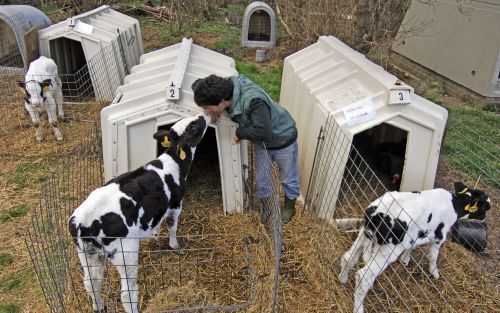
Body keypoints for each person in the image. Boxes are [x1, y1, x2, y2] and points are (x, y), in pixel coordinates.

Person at [192, 74, 300, 223]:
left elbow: (263, 132)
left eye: (207, 107)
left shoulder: (253, 100)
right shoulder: (224, 88)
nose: (205, 110)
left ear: (222, 101)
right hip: (263, 144)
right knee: (262, 180)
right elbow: (197, 84)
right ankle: (267, 207)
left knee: (288, 177)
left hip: (283, 139)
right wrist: (211, 112)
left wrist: (239, 132)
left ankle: (289, 207)